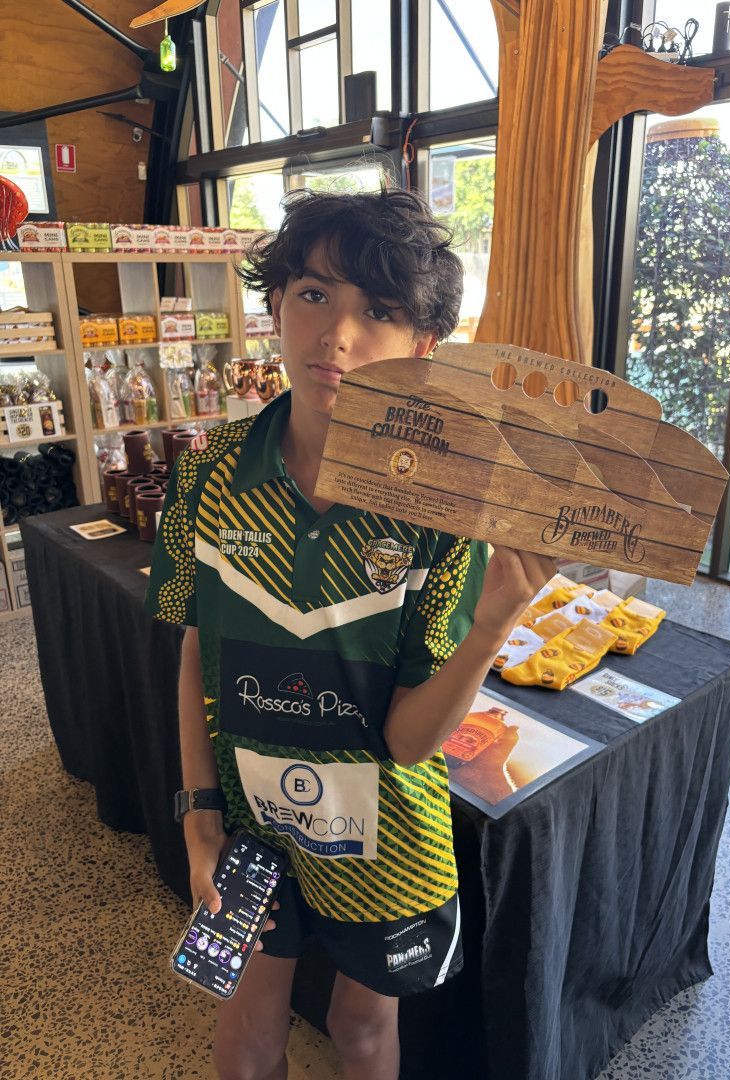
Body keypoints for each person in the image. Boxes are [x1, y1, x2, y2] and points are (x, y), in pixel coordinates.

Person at [146, 187, 554, 1080]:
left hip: (386, 838)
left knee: (362, 1031)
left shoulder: (442, 510)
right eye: (315, 294)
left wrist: (491, 628)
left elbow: (409, 740)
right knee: (249, 1017)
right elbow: (194, 650)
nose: (337, 336)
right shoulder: (211, 473)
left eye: (380, 311)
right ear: (279, 304)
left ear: (424, 349)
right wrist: (199, 815)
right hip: (251, 823)